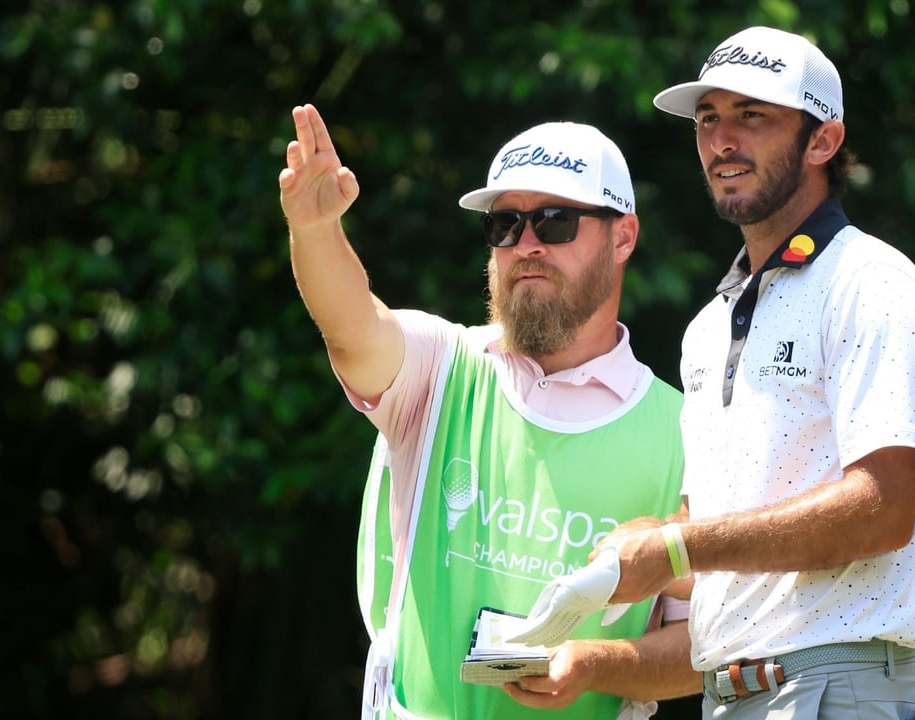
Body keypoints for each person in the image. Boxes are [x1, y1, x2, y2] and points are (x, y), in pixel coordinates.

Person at [277, 103, 700, 719]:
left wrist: (593, 666)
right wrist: (315, 230)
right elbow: (353, 327)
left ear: (623, 236)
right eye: (505, 225)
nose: (525, 244)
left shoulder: (687, 431)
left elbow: (702, 647)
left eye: (554, 222)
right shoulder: (441, 364)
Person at [595, 26, 915, 719]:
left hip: (840, 690)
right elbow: (721, 541)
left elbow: (882, 510)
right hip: (730, 697)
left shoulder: (873, 282)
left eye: (751, 116)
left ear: (822, 141)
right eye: (707, 119)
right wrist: (649, 547)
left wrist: (674, 545)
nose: (721, 140)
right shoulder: (707, 327)